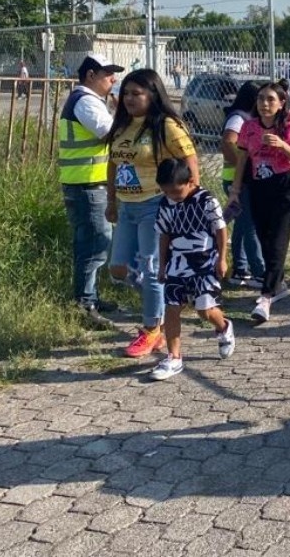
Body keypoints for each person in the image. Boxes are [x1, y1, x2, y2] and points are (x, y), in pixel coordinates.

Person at [105, 68, 200, 358]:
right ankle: (166, 292)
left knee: (151, 271)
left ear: (153, 95)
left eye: (137, 93)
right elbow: (113, 165)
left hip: (155, 206)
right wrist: (111, 201)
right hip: (127, 207)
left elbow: (190, 162)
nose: (130, 98)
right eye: (126, 93)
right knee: (118, 269)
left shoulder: (166, 126)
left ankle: (151, 329)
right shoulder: (121, 125)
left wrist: (190, 200)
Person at [150, 158, 234, 381]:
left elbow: (220, 229)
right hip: (177, 262)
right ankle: (174, 357)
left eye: (177, 192)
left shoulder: (207, 200)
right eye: (167, 192)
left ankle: (224, 327)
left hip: (205, 262)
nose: (173, 197)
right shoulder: (165, 203)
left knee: (204, 310)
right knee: (172, 307)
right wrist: (162, 265)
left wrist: (222, 259)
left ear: (190, 182)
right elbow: (164, 234)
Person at [229, 82, 290, 323]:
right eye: (261, 98)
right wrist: (235, 190)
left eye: (271, 99)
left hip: (283, 189)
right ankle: (279, 285)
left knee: (277, 242)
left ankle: (266, 296)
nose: (264, 104)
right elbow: (242, 159)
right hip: (258, 188)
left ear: (282, 103)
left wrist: (282, 145)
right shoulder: (249, 127)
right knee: (264, 240)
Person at [59, 52, 122, 327]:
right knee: (94, 246)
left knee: (91, 244)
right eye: (108, 73)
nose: (113, 78)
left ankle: (90, 298)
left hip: (86, 182)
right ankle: (85, 306)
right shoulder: (86, 102)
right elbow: (110, 133)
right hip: (86, 184)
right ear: (91, 75)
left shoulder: (87, 100)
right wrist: (126, 116)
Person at [220, 81, 266, 290]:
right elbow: (228, 141)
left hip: (237, 178)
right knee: (250, 225)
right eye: (259, 98)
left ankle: (240, 269)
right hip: (236, 179)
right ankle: (258, 272)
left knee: (241, 224)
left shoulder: (244, 116)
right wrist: (242, 165)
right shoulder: (239, 117)